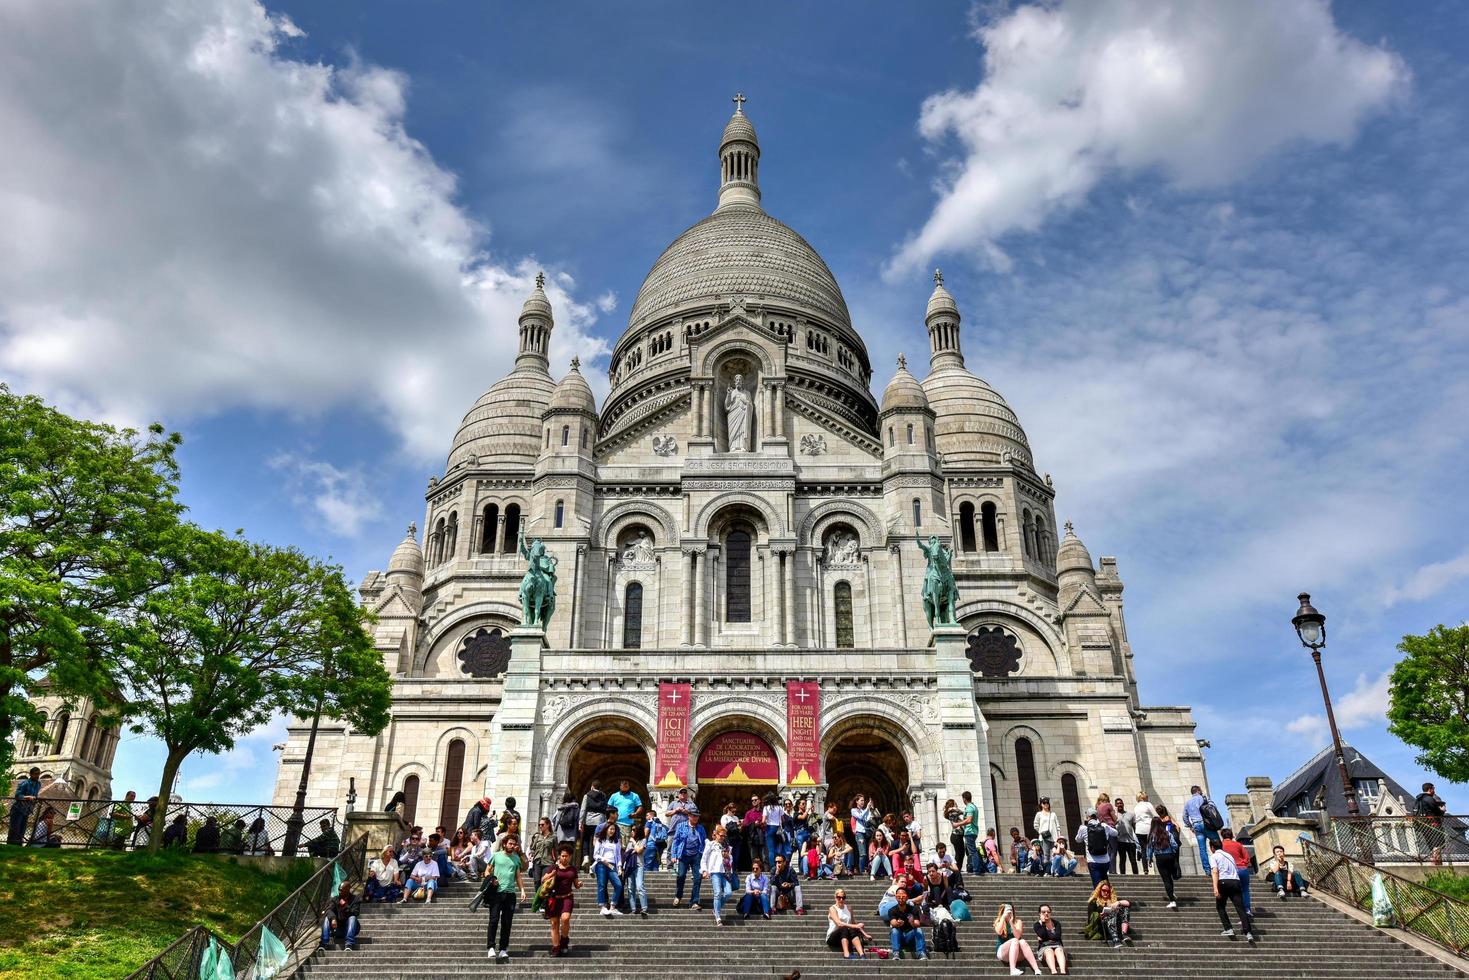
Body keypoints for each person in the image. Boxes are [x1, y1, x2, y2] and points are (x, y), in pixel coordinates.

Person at [483, 833, 527, 961]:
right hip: (496, 893)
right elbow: (487, 871)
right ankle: (491, 947)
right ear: (504, 844)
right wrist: (491, 880)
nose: (512, 846)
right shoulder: (496, 856)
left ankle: (503, 949)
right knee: (493, 920)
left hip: (510, 894)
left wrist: (522, 890)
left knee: (507, 923)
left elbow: (518, 876)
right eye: (510, 844)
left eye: (514, 844)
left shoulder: (516, 859)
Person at [1209, 837, 1255, 941]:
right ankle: (1248, 932)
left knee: (1220, 907)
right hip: (1235, 881)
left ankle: (1228, 928)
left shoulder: (1214, 856)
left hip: (1223, 882)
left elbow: (1215, 871)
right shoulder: (1229, 855)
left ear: (1212, 848)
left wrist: (1215, 888)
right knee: (1240, 908)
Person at [543, 843, 582, 957]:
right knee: (554, 923)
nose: (564, 858)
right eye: (562, 856)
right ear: (559, 856)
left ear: (570, 857)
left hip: (567, 897)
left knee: (565, 918)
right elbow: (543, 880)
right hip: (554, 899)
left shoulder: (573, 869)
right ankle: (556, 947)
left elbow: (576, 884)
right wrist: (551, 874)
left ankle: (564, 940)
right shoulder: (553, 867)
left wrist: (579, 884)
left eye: (567, 856)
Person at [671, 799, 707, 909]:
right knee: (681, 875)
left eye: (697, 816)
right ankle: (678, 895)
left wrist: (705, 858)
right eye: (693, 815)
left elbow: (705, 842)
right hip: (684, 854)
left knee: (697, 878)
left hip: (697, 855)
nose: (695, 818)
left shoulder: (701, 828)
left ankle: (694, 901)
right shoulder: (681, 826)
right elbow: (676, 840)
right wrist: (673, 855)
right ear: (689, 816)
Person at [700, 822, 738, 925]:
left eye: (724, 836)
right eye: (721, 835)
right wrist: (704, 870)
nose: (722, 837)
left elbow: (731, 862)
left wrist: (728, 857)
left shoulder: (727, 847)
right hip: (715, 872)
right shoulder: (710, 844)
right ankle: (717, 916)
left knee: (728, 893)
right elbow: (704, 858)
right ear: (716, 834)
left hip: (725, 873)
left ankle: (716, 909)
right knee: (717, 893)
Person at [1147, 805, 1183, 909]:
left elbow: (1149, 848)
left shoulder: (1152, 835)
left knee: (1166, 879)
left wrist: (1149, 859)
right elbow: (1174, 844)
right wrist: (1173, 852)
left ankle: (1172, 900)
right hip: (1170, 856)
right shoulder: (1166, 833)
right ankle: (1172, 893)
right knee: (1170, 878)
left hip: (1160, 858)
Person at [1183, 784, 1222, 874]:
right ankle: (1220, 865)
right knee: (1217, 845)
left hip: (1196, 826)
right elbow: (1213, 807)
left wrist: (1190, 826)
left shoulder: (1188, 803)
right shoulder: (1204, 798)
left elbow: (1184, 817)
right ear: (1198, 791)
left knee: (1202, 849)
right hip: (1207, 824)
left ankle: (1207, 870)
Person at [1083, 880, 1133, 948]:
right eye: (1103, 890)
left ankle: (1124, 933)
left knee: (1124, 908)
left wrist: (1118, 903)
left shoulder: (1114, 900)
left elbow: (1129, 903)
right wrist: (1099, 916)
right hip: (1102, 925)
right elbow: (1090, 918)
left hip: (1116, 924)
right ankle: (1115, 939)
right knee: (1111, 913)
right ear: (1099, 890)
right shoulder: (1094, 902)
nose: (1106, 892)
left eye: (1108, 891)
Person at [992, 903, 1039, 975]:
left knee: (1022, 941)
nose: (1009, 912)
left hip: (1017, 954)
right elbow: (999, 932)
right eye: (1007, 910)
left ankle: (1036, 969)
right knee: (1014, 940)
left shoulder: (1018, 922)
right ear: (1003, 911)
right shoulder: (998, 921)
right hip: (1003, 952)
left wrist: (1011, 923)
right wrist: (1003, 918)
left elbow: (1017, 936)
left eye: (1011, 910)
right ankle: (1013, 969)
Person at [1075, 809, 1117, 886]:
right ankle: (1109, 897)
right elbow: (1115, 833)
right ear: (1097, 816)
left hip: (1093, 861)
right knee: (1105, 882)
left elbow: (1077, 840)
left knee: (1097, 885)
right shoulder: (1104, 826)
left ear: (1088, 817)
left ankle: (1101, 897)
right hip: (1105, 861)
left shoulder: (1083, 828)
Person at [826, 888, 872, 959]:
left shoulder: (849, 908)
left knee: (851, 929)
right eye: (839, 897)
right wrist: (856, 926)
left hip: (846, 937)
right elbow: (839, 924)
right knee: (844, 928)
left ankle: (862, 954)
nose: (841, 899)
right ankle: (846, 954)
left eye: (843, 898)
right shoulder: (832, 908)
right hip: (833, 937)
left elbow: (854, 924)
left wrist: (865, 934)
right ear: (835, 897)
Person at [592, 821, 625, 916]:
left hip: (612, 865)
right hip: (602, 864)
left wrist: (619, 867)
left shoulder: (616, 841)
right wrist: (603, 860)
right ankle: (602, 906)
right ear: (606, 829)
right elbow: (595, 854)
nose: (612, 831)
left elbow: (618, 855)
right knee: (602, 885)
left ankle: (613, 906)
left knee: (618, 885)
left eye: (614, 829)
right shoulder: (600, 840)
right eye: (610, 829)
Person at [887, 886, 928, 960]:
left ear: (907, 897)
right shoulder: (892, 910)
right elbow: (893, 923)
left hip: (910, 936)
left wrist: (912, 922)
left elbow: (917, 924)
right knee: (894, 930)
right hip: (899, 937)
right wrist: (898, 923)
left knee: (918, 930)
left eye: (903, 896)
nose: (901, 898)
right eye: (898, 896)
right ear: (896, 897)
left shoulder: (913, 909)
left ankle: (921, 953)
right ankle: (896, 953)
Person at [1219, 828, 1254, 912]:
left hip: (1230, 871)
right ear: (1232, 835)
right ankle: (1247, 910)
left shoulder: (1221, 846)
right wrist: (1243, 864)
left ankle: (1240, 913)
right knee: (1245, 890)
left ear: (1222, 836)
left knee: (1234, 893)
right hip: (1242, 869)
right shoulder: (1238, 844)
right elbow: (1247, 858)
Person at [319, 882, 360, 952]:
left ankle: (349, 944)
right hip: (337, 929)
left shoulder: (355, 899)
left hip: (349, 929)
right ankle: (323, 943)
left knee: (352, 918)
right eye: (339, 890)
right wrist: (333, 918)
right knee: (327, 918)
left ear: (347, 890)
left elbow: (355, 913)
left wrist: (345, 905)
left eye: (341, 890)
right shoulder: (336, 899)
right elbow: (328, 910)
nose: (339, 892)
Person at [7, 768, 41, 846]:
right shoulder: (24, 783)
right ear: (31, 774)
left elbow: (35, 796)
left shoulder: (38, 784)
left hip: (27, 810)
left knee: (22, 829)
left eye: (38, 774)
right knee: (15, 829)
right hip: (18, 809)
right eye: (36, 774)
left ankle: (18, 846)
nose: (37, 776)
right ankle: (11, 845)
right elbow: (17, 796)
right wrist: (27, 797)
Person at [579, 779, 609, 867]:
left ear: (592, 786)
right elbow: (605, 809)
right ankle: (594, 859)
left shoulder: (587, 795)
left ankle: (586, 857)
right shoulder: (603, 796)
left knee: (586, 839)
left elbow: (583, 809)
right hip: (600, 821)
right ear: (600, 788)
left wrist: (580, 822)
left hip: (589, 820)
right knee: (597, 840)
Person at [953, 791, 982, 874]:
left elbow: (969, 820)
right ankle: (972, 867)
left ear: (964, 799)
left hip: (970, 832)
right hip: (972, 831)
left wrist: (958, 824)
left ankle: (976, 870)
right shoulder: (974, 807)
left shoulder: (969, 807)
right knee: (969, 850)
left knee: (972, 851)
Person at [1034, 904, 1067, 975]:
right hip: (1044, 947)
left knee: (1059, 950)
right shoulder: (1037, 925)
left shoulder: (1056, 923)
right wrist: (1043, 924)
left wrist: (1045, 938)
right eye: (1043, 912)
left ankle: (1063, 971)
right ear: (1040, 913)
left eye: (1048, 912)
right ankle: (1053, 971)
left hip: (1057, 945)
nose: (1046, 913)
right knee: (1049, 951)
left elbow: (1057, 937)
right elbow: (1043, 935)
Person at [624, 822, 649, 918]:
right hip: (630, 867)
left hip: (639, 865)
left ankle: (644, 908)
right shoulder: (630, 842)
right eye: (632, 829)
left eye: (634, 830)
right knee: (630, 888)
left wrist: (634, 844)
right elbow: (627, 854)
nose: (632, 831)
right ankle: (633, 909)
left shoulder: (643, 840)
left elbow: (639, 851)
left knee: (640, 886)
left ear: (638, 831)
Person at [607, 779, 642, 846]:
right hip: (615, 823)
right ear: (620, 787)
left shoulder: (634, 796)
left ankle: (624, 856)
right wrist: (611, 817)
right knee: (614, 843)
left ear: (629, 787)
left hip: (628, 824)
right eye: (623, 787)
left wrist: (635, 814)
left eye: (626, 787)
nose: (625, 789)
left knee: (625, 845)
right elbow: (609, 807)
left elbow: (640, 806)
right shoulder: (614, 796)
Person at [1133, 793, 1159, 874]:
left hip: (1139, 830)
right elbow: (1155, 815)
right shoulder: (1147, 804)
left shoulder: (1136, 807)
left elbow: (1134, 820)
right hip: (1149, 828)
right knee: (1155, 847)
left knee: (1143, 849)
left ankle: (1145, 869)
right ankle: (1158, 867)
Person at [1033, 797, 1061, 872]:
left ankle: (1054, 871)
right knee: (1046, 855)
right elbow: (1035, 825)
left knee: (1055, 854)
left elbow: (1057, 826)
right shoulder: (1039, 814)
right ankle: (1047, 872)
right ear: (1041, 804)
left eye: (1047, 803)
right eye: (1044, 803)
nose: (1046, 804)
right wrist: (1041, 832)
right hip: (1044, 837)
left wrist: (1059, 837)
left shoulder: (1053, 814)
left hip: (1054, 837)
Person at [850, 794, 876, 875]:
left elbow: (869, 820)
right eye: (861, 800)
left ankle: (867, 869)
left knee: (869, 852)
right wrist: (867, 808)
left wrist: (871, 809)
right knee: (863, 853)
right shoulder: (854, 810)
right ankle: (861, 871)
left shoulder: (865, 810)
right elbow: (860, 817)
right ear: (857, 801)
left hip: (867, 833)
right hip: (860, 833)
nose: (863, 802)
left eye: (863, 800)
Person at [763, 793, 788, 867]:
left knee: (771, 850)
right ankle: (779, 864)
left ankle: (773, 867)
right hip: (778, 828)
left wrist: (764, 824)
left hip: (769, 828)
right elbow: (783, 820)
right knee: (778, 848)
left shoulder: (766, 808)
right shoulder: (779, 808)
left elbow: (763, 820)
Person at [1114, 799, 1138, 875]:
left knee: (1133, 860)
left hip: (1131, 841)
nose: (1119, 805)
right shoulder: (1114, 815)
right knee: (1122, 860)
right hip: (1120, 840)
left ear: (1123, 804)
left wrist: (1136, 839)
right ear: (1115, 805)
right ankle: (1122, 875)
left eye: (1121, 803)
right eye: (1117, 803)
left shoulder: (1131, 814)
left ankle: (1136, 875)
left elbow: (1134, 827)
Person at [943, 798, 966, 872]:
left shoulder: (953, 813)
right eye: (955, 803)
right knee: (959, 854)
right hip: (956, 836)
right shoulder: (952, 813)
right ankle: (956, 869)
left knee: (960, 853)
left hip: (957, 836)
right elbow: (962, 812)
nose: (956, 804)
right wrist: (952, 808)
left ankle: (957, 869)